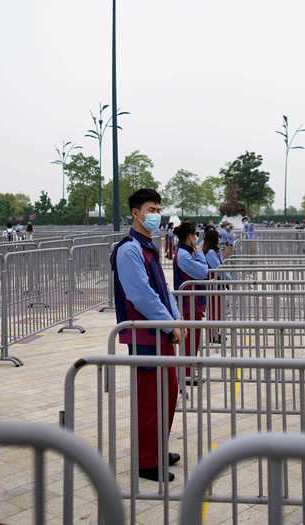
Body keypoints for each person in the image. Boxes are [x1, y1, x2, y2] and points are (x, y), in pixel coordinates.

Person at [110, 188, 182, 482]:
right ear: (135, 213)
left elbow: (163, 290)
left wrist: (177, 320)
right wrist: (170, 324)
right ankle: (146, 461)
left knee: (168, 391)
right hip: (145, 335)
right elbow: (142, 296)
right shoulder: (129, 249)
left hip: (160, 332)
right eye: (151, 209)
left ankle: (157, 448)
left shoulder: (147, 246)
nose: (156, 214)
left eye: (158, 208)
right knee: (151, 398)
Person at [173, 221, 208, 379]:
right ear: (189, 237)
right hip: (188, 303)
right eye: (195, 234)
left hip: (193, 302)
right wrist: (199, 251)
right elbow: (203, 272)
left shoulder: (185, 252)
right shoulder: (183, 254)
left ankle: (188, 372)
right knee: (190, 341)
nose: (196, 237)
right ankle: (186, 374)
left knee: (194, 339)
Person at [203, 228, 224, 343]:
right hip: (214, 284)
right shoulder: (210, 253)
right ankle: (213, 335)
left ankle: (215, 333)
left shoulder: (213, 251)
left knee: (216, 310)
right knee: (214, 310)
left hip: (216, 283)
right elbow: (218, 268)